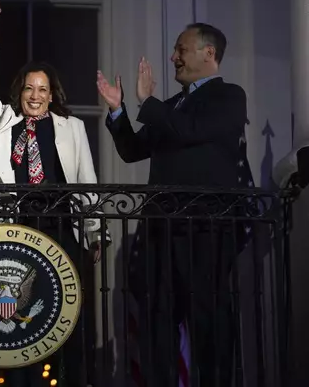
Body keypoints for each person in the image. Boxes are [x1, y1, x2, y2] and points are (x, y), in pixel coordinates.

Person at [97, 23, 253, 386]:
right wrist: (119, 112)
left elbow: (191, 130)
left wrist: (147, 103)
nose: (173, 57)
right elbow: (133, 151)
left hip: (206, 228)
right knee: (158, 323)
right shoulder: (169, 107)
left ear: (208, 53)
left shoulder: (229, 96)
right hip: (161, 232)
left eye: (181, 50)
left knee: (208, 322)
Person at [0, 5, 110, 386]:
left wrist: (95, 232)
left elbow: (87, 182)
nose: (35, 95)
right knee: (22, 326)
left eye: (42, 89)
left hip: (62, 228)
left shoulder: (72, 127)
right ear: (20, 91)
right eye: (29, 88)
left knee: (67, 322)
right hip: (16, 230)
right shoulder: (6, 121)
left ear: (52, 94)